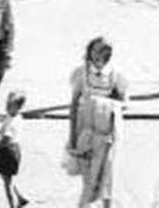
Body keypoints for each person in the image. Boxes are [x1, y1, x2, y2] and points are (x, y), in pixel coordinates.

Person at [67, 37, 127, 208]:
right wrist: (72, 136)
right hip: (85, 129)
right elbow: (73, 104)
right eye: (94, 50)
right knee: (88, 173)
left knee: (107, 171)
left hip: (106, 131)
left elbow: (125, 102)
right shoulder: (81, 72)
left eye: (102, 51)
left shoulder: (115, 75)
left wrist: (107, 105)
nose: (97, 55)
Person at [0, 90, 29, 208]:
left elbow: (5, 139)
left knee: (7, 183)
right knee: (7, 178)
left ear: (18, 108)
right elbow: (3, 128)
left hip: (7, 151)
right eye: (7, 104)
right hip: (15, 149)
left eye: (10, 105)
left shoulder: (12, 122)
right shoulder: (15, 117)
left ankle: (12, 204)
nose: (7, 107)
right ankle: (20, 197)